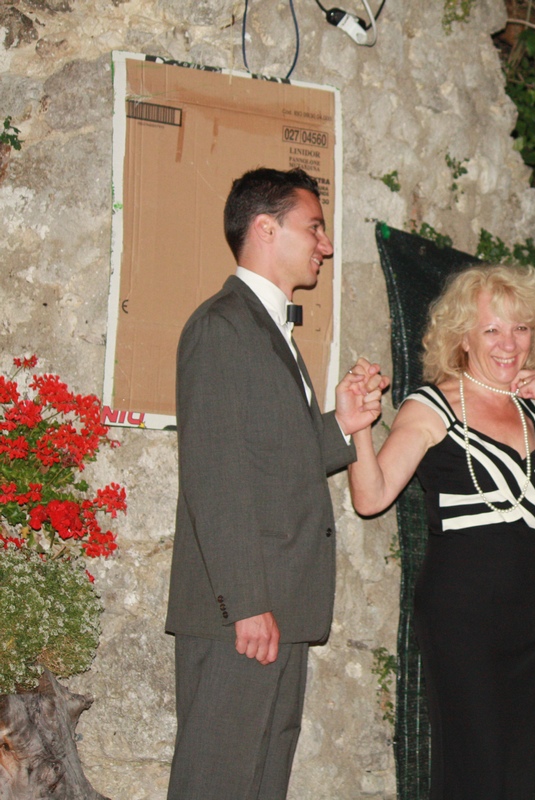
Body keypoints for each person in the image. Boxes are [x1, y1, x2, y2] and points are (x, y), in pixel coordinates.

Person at [166, 167, 386, 799]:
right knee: (216, 784)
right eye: (314, 227)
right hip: (243, 613)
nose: (326, 245)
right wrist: (246, 602)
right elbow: (214, 473)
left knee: (262, 784)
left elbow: (273, 459)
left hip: (276, 608)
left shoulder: (266, 329)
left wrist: (341, 423)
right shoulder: (221, 326)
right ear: (266, 229)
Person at [347, 263, 535, 800]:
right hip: (462, 612)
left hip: (529, 613)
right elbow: (371, 498)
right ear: (463, 337)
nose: (509, 344)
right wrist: (359, 433)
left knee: (514, 765)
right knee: (475, 764)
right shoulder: (433, 404)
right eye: (492, 329)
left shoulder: (534, 412)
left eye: (521, 328)